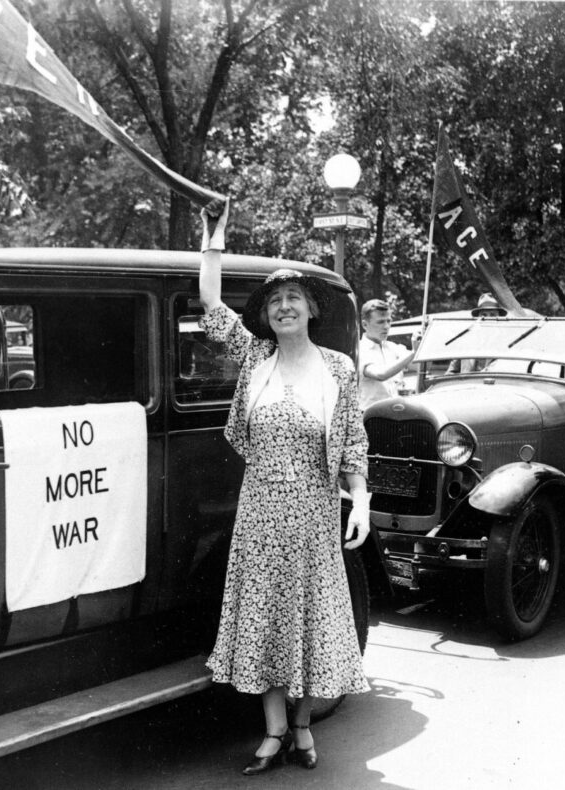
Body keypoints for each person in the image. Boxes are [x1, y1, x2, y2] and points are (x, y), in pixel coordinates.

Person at [197, 201, 370, 775]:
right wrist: (213, 241)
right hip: (260, 516)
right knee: (265, 621)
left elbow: (350, 441)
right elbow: (211, 307)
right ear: (267, 316)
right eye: (275, 301)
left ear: (311, 309)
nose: (284, 306)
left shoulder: (339, 369)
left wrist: (362, 500)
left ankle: (302, 727)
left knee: (312, 624)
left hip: (315, 517)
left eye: (294, 298)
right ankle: (274, 730)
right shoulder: (256, 360)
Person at [358, 298, 417, 408]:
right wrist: (413, 352)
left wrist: (423, 343)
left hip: (396, 414)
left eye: (388, 321)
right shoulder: (359, 350)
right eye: (380, 322)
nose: (386, 326)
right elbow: (380, 374)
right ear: (365, 325)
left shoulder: (394, 348)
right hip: (370, 417)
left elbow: (421, 366)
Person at [445, 293, 507, 374]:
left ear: (499, 318)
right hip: (467, 385)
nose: (488, 319)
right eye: (484, 315)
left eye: (492, 315)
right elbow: (451, 371)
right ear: (478, 318)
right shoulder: (465, 342)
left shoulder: (506, 343)